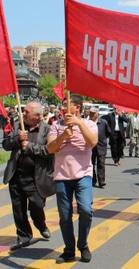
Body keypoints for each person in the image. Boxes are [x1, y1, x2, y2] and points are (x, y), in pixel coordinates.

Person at [47, 94, 98, 263]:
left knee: (85, 209)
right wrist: (63, 136)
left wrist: (79, 124)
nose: (63, 109)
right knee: (65, 215)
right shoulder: (55, 126)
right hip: (62, 176)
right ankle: (69, 250)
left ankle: (83, 245)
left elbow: (92, 142)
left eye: (67, 105)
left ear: (77, 107)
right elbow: (50, 149)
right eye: (62, 106)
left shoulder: (89, 124)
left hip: (83, 175)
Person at [2, 101, 55, 250]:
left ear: (37, 116)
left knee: (37, 206)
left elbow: (49, 151)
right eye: (23, 111)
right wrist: (16, 139)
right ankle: (24, 236)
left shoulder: (48, 130)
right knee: (18, 209)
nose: (23, 114)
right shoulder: (18, 126)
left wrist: (29, 146)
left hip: (36, 178)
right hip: (16, 175)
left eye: (26, 112)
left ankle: (40, 224)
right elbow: (5, 145)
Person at [90, 107, 111, 188]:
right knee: (91, 164)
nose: (92, 114)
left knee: (101, 164)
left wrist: (103, 140)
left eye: (93, 113)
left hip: (101, 146)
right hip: (91, 147)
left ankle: (101, 181)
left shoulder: (103, 122)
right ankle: (93, 180)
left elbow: (108, 133)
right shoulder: (87, 123)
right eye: (91, 113)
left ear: (97, 114)